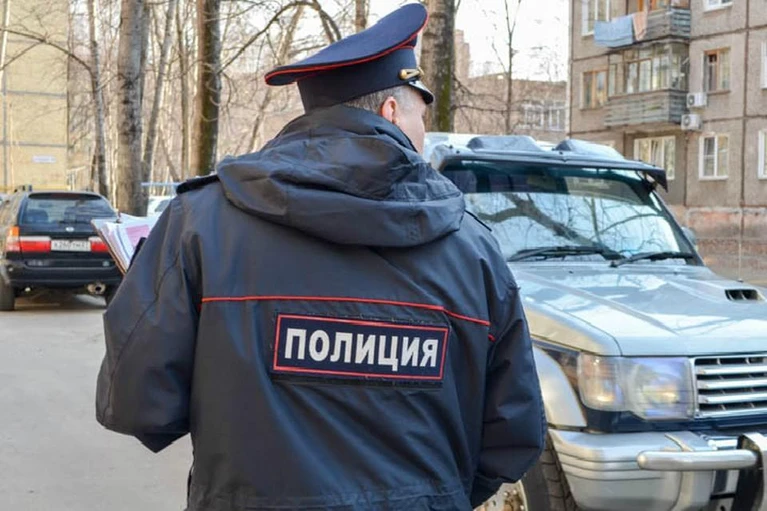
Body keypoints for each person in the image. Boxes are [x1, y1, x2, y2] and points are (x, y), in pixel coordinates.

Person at [95, 3, 545, 510]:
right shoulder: (473, 250)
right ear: (390, 111)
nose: (424, 133)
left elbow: (137, 403)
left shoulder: (201, 223)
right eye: (421, 115)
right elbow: (512, 435)